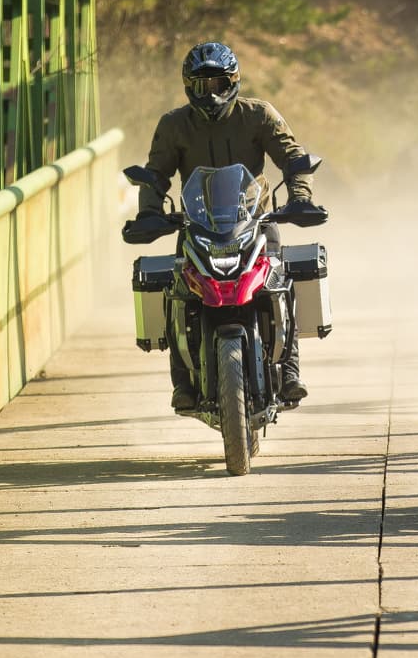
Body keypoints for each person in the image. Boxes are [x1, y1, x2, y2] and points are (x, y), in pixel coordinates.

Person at [131, 41, 323, 412]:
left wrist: (300, 198)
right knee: (177, 289)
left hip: (255, 220)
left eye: (219, 83)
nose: (212, 93)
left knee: (281, 280)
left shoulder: (259, 115)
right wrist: (150, 212)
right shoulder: (174, 125)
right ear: (188, 86)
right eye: (202, 86)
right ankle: (183, 383)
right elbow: (155, 174)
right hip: (197, 224)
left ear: (234, 80)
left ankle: (290, 370)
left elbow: (293, 158)